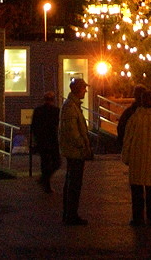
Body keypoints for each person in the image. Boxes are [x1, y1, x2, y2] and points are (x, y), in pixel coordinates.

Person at [121, 89, 151, 226]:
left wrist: (126, 157)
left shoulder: (135, 118)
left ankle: (138, 218)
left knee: (137, 192)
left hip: (137, 160)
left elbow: (128, 139)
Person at [58, 77, 92, 225]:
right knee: (74, 183)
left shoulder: (71, 105)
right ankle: (71, 215)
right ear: (78, 89)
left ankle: (70, 213)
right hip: (75, 151)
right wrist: (82, 145)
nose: (85, 90)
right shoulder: (71, 107)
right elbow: (72, 131)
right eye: (84, 88)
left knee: (72, 182)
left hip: (73, 150)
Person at [30, 91, 60, 193]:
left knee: (45, 163)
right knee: (57, 162)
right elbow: (58, 125)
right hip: (52, 140)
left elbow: (33, 126)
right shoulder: (56, 111)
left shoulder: (38, 110)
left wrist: (35, 140)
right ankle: (44, 180)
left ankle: (45, 182)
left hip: (42, 140)